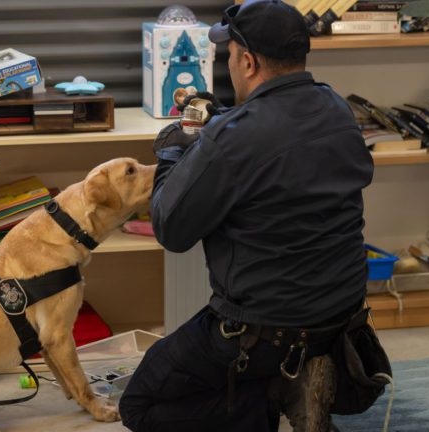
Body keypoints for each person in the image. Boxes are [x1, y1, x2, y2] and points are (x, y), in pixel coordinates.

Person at [118, 0, 375, 431]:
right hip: (339, 320)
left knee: (139, 405)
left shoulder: (230, 139)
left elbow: (170, 228)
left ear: (249, 62)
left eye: (231, 54)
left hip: (260, 332)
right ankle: (296, 375)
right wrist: (223, 120)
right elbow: (275, 140)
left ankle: (273, 391)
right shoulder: (335, 107)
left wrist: (174, 148)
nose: (230, 63)